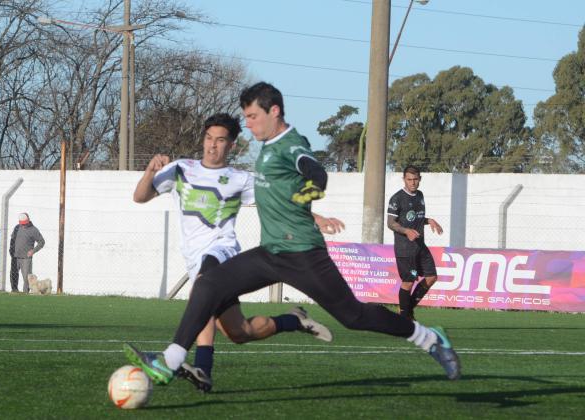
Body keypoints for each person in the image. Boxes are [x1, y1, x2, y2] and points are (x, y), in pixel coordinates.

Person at [123, 82, 461, 386]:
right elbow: (278, 196)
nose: (250, 124)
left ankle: (429, 338)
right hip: (271, 253)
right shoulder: (267, 149)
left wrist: (313, 187)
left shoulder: (290, 144)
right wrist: (313, 214)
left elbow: (311, 168)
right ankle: (170, 361)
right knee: (209, 284)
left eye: (253, 116)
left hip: (302, 256)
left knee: (354, 317)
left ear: (274, 112)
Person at [133, 112, 344, 392]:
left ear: (232, 145)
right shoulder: (181, 169)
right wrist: (150, 171)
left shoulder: (240, 179)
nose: (212, 145)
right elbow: (140, 197)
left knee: (202, 291)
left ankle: (195, 367)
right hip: (193, 258)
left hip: (222, 251)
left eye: (220, 140)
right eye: (209, 138)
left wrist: (316, 218)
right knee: (239, 332)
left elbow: (279, 201)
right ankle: (293, 320)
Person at [387, 166, 444, 320]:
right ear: (404, 179)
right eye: (409, 179)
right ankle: (405, 318)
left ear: (420, 179)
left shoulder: (420, 195)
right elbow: (391, 223)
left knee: (431, 277)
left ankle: (406, 310)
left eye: (415, 179)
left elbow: (416, 218)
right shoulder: (397, 198)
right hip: (405, 248)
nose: (412, 182)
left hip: (420, 245)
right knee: (408, 282)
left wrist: (429, 220)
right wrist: (406, 231)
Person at [9, 212, 45, 293]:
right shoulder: (17, 228)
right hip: (15, 256)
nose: (23, 225)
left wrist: (33, 251)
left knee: (27, 278)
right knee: (13, 274)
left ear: (28, 219)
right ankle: (14, 290)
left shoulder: (34, 230)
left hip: (26, 258)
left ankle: (25, 293)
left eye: (25, 223)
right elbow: (12, 240)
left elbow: (42, 242)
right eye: (22, 223)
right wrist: (11, 251)